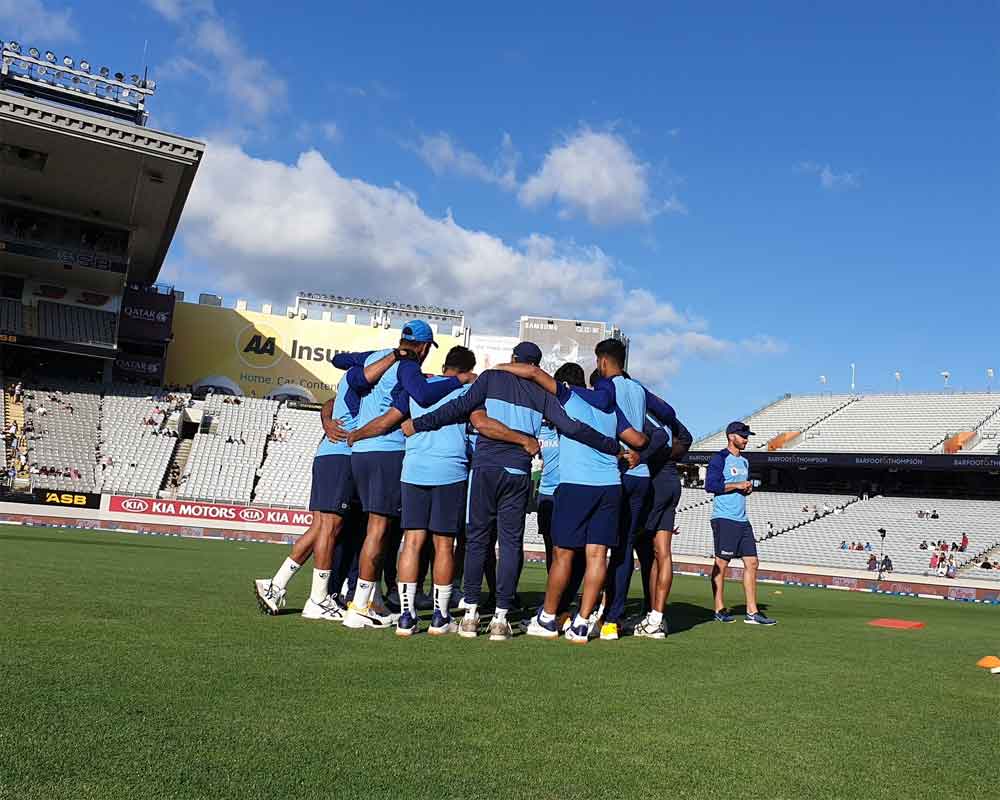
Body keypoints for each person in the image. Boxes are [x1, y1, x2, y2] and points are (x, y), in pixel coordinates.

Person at [403, 341, 629, 641]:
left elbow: (458, 408)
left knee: (476, 540)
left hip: (485, 469)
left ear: (513, 359)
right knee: (510, 543)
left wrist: (419, 424)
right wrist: (613, 447)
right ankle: (500, 618)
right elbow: (573, 428)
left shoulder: (490, 378)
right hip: (518, 472)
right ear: (534, 365)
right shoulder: (542, 393)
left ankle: (470, 616)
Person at [347, 345, 497, 637]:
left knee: (412, 542)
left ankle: (407, 616)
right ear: (468, 369)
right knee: (444, 545)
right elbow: (478, 423)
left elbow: (391, 419)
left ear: (444, 367)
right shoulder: (468, 389)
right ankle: (440, 617)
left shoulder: (418, 386)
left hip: (413, 469)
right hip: (450, 470)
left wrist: (357, 434)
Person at [254, 349, 397, 620]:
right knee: (330, 528)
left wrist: (327, 420)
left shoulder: (354, 380)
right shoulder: (366, 380)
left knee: (322, 527)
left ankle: (277, 584)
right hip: (342, 455)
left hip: (330, 454)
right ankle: (317, 598)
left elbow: (332, 397)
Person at [525, 364, 626, 644]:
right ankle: (581, 623)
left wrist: (500, 369)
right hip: (610, 485)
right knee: (597, 556)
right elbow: (636, 438)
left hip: (576, 485)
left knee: (562, 555)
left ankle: (547, 617)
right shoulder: (610, 407)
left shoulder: (568, 398)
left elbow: (534, 374)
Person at [705, 421, 776, 625]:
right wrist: (737, 485)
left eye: (747, 436)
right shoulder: (720, 458)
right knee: (721, 564)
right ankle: (719, 608)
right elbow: (710, 486)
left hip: (742, 519)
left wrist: (746, 489)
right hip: (724, 518)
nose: (746, 439)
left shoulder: (744, 462)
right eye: (743, 436)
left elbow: (738, 486)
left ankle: (752, 612)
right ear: (731, 436)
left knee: (752, 562)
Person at [633, 409, 693, 639]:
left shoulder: (640, 415)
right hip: (671, 480)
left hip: (655, 483)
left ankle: (609, 615)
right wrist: (670, 455)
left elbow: (657, 439)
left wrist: (648, 456)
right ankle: (656, 617)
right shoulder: (666, 417)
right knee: (662, 554)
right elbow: (686, 438)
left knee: (626, 546)